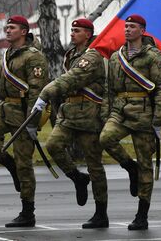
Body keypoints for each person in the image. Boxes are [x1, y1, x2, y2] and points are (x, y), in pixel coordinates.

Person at [99, 14, 161, 230]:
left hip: (143, 114)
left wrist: (159, 120)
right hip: (119, 111)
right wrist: (106, 114)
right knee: (105, 138)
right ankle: (128, 167)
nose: (127, 30)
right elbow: (109, 89)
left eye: (132, 27)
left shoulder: (154, 56)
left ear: (142, 31)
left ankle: (142, 214)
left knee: (145, 165)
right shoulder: (116, 57)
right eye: (126, 26)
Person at [0, 15, 49, 228]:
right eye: (6, 27)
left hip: (24, 113)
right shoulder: (5, 55)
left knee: (25, 163)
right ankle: (9, 165)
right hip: (4, 108)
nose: (7, 30)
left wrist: (33, 122)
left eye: (12, 28)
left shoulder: (33, 57)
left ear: (23, 31)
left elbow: (37, 92)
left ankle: (28, 212)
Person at [34, 18, 109, 229]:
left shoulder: (92, 56)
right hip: (69, 114)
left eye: (77, 31)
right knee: (53, 145)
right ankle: (77, 177)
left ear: (88, 34)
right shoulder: (71, 55)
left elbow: (72, 79)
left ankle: (101, 213)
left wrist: (45, 93)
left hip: (89, 116)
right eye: (72, 30)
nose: (72, 33)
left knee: (95, 166)